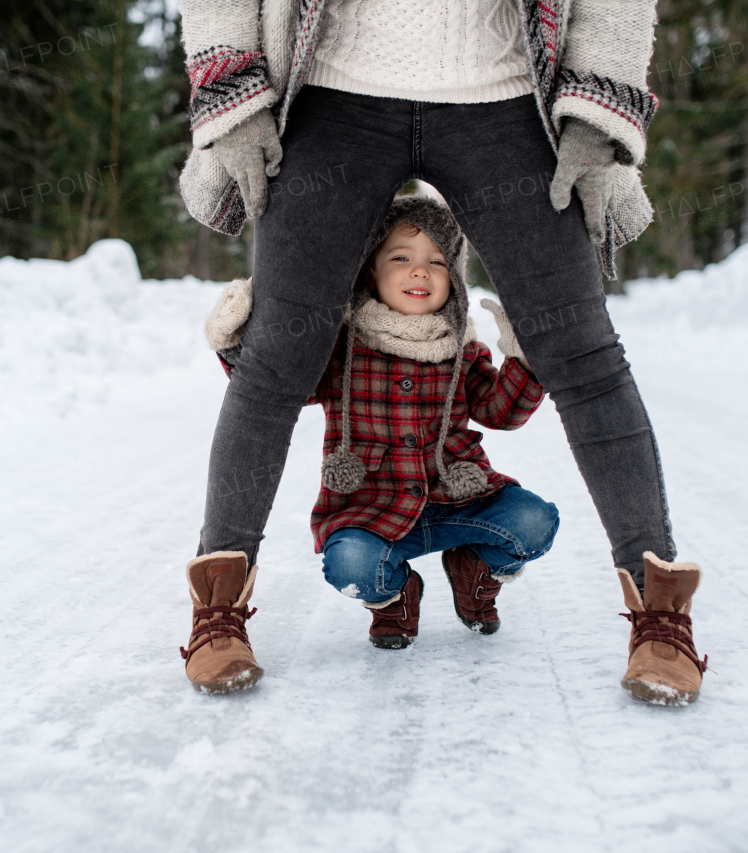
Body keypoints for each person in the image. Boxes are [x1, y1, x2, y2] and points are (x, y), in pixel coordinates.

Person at [177, 0, 708, 705]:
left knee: (579, 349)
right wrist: (233, 95)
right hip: (334, 95)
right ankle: (217, 608)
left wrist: (597, 100)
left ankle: (660, 614)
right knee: (278, 351)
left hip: (504, 97)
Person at [187, 196, 559, 665]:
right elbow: (285, 386)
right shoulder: (343, 346)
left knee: (534, 521)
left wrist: (524, 356)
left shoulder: (461, 349)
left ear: (455, 281)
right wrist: (238, 345)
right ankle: (394, 596)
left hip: (457, 500)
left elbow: (502, 411)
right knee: (350, 564)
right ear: (370, 271)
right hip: (372, 512)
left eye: (437, 262)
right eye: (401, 258)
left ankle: (473, 569)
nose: (419, 272)